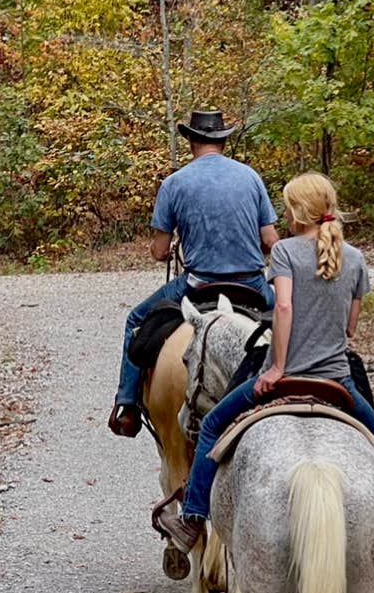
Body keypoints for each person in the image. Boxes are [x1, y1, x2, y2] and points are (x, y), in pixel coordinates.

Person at [151, 170, 374, 573]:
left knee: (211, 428)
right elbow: (350, 328)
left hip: (284, 376)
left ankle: (192, 519)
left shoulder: (285, 254)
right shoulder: (355, 258)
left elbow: (282, 308)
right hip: (338, 380)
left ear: (297, 212)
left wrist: (278, 367)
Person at [108, 109, 279, 437]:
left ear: (191, 142)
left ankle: (127, 406)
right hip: (253, 285)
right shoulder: (251, 177)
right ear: (223, 142)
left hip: (200, 285)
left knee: (135, 320)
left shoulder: (174, 183)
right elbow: (270, 240)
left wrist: (169, 246)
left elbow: (160, 252)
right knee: (291, 321)